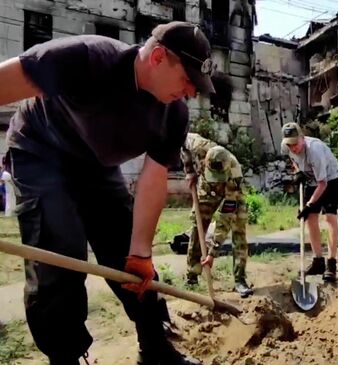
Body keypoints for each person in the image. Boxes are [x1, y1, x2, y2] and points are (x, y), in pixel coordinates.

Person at [0, 20, 217, 364]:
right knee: (60, 256)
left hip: (95, 167)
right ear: (158, 57)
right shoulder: (85, 59)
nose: (191, 91)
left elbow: (153, 178)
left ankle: (155, 351)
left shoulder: (173, 114)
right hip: (40, 152)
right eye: (187, 79)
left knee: (131, 261)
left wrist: (141, 251)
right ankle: (66, 357)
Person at [180, 132, 253, 298]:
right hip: (206, 189)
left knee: (239, 229)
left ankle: (240, 279)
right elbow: (183, 145)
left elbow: (226, 218)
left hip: (230, 192)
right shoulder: (197, 145)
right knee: (198, 225)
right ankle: (192, 275)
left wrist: (213, 252)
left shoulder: (234, 172)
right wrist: (189, 170)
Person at [281, 122, 338, 282]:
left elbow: (323, 184)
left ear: (302, 138)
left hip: (329, 179)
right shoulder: (286, 146)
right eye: (290, 144)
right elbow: (292, 159)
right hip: (311, 180)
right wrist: (298, 171)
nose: (293, 147)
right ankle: (318, 261)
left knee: (330, 218)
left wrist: (309, 205)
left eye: (295, 143)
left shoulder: (314, 151)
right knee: (310, 218)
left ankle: (331, 264)